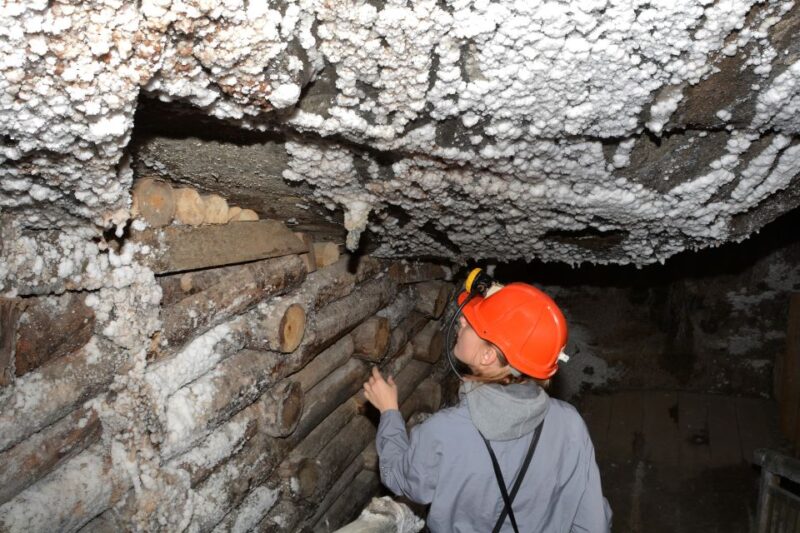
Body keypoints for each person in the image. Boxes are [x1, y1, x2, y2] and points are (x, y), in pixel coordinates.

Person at [363, 277, 612, 533]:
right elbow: (593, 522)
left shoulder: (444, 432)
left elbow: (398, 477)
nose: (461, 320)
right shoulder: (570, 424)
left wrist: (389, 411)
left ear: (487, 356)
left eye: (474, 325)